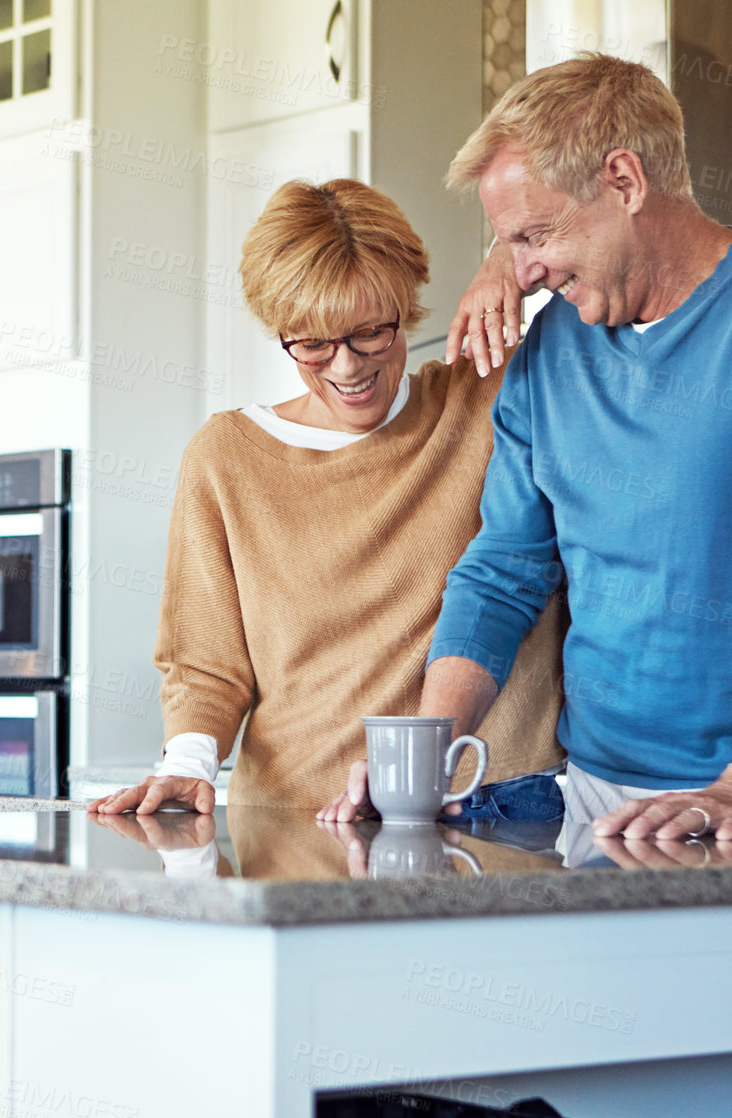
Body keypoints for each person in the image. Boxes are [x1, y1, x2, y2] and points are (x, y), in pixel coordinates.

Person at [324, 53, 732, 840]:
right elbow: (503, 571)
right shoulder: (549, 355)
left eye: (536, 234)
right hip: (597, 792)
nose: (523, 272)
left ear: (625, 181)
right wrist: (425, 754)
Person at [89, 178, 566, 819]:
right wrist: (187, 764)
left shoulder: (482, 397)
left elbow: (576, 213)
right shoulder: (226, 457)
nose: (346, 368)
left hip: (483, 807)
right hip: (296, 818)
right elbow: (204, 661)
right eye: (312, 343)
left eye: (370, 332)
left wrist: (502, 258)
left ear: (409, 303)